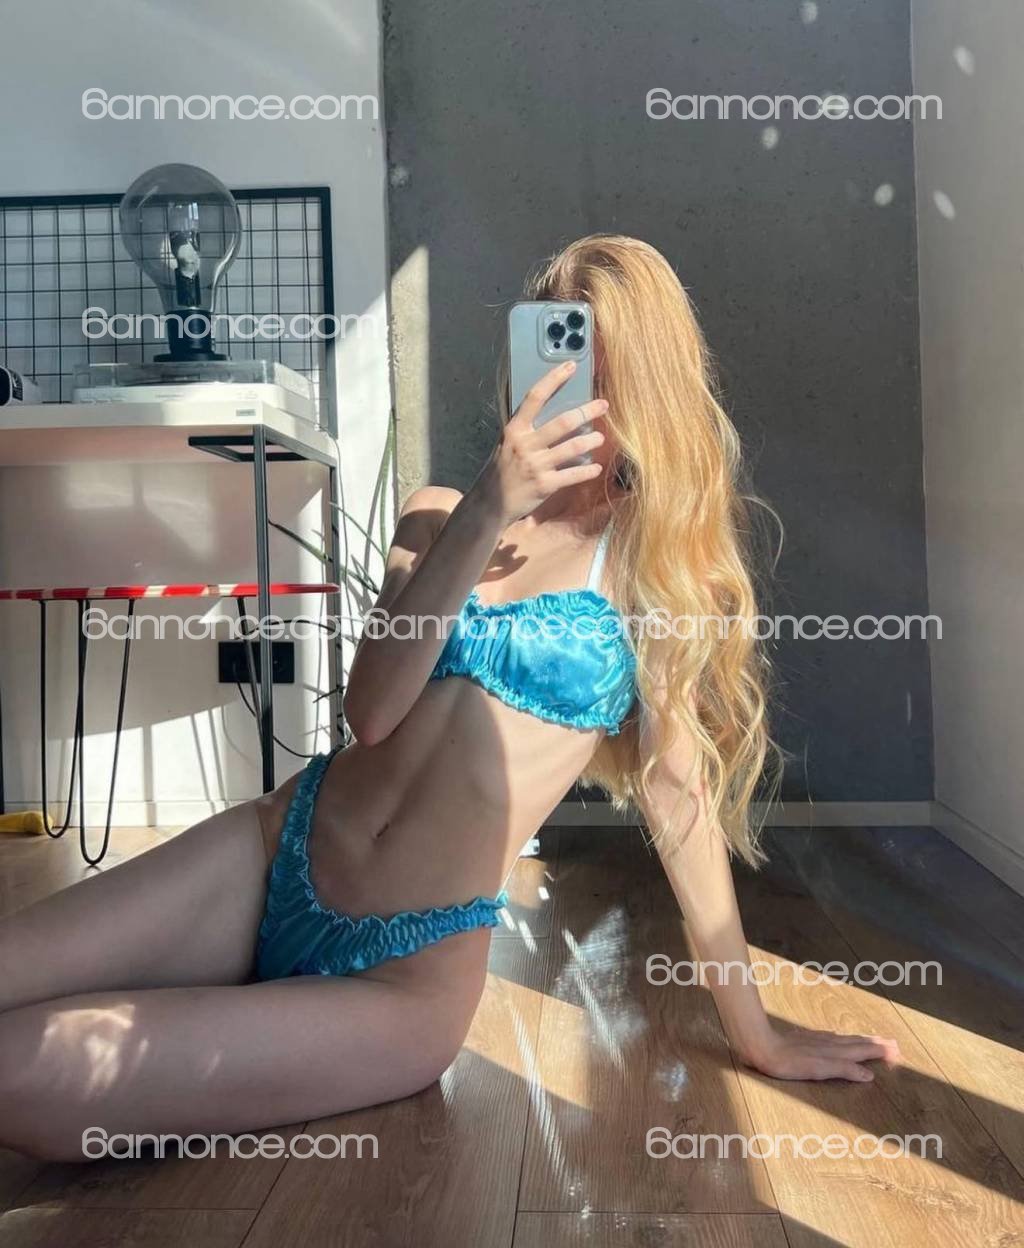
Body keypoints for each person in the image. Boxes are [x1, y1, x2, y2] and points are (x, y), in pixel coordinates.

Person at [0, 235, 898, 1161]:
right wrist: (489, 508)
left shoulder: (650, 569)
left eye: (595, 359)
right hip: (271, 855)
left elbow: (677, 795)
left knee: (17, 1070)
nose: (570, 383)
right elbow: (373, 711)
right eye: (553, 346)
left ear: (645, 379)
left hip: (404, 980)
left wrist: (756, 1033)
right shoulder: (439, 512)